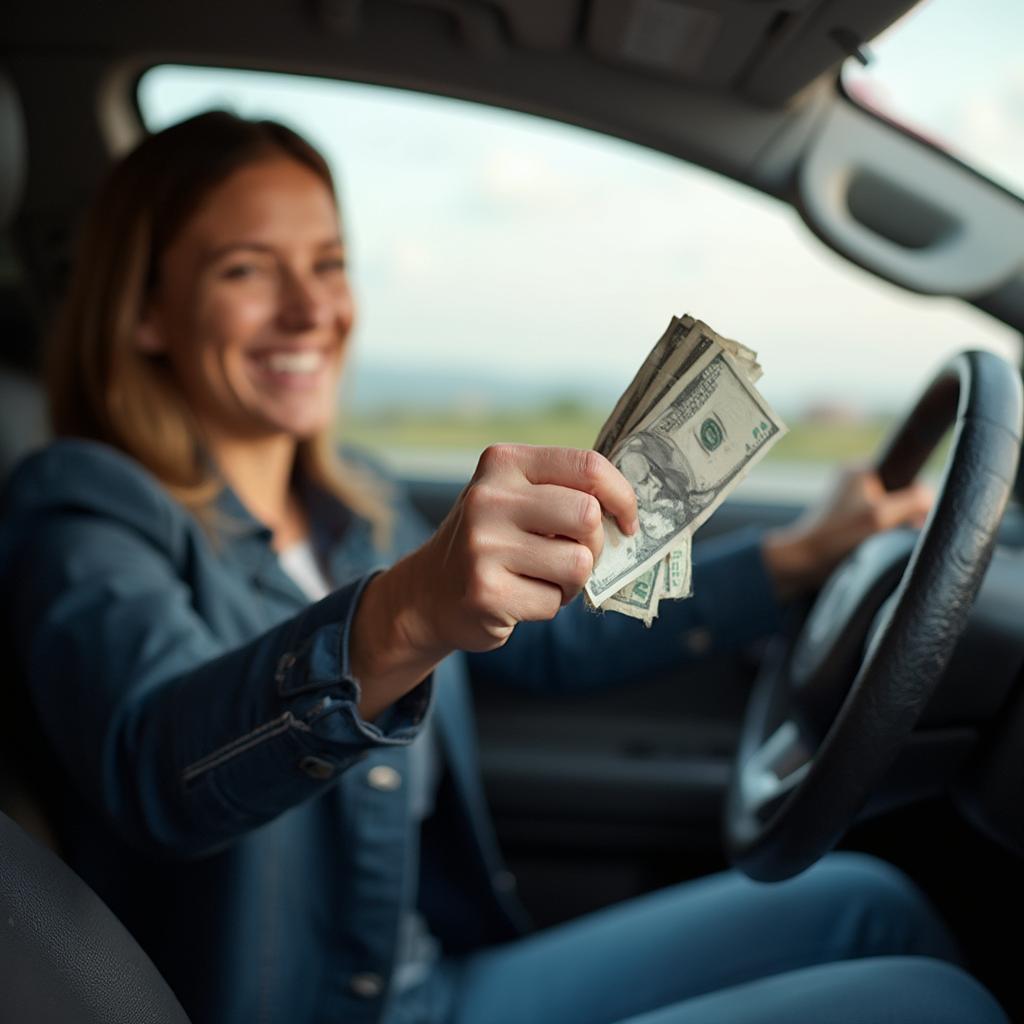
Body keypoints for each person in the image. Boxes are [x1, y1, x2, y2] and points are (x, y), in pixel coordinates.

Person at [0, 111, 1005, 1024]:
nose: (311, 309)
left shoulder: (358, 501)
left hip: (430, 982)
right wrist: (401, 615)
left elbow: (543, 648)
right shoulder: (83, 504)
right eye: (246, 269)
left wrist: (797, 556)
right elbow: (155, 763)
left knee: (868, 901)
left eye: (329, 261)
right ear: (145, 313)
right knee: (930, 1003)